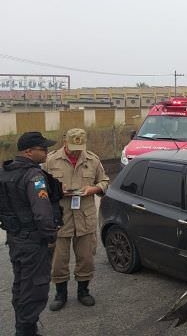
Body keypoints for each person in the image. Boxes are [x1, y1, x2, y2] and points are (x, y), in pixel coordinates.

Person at [0, 132, 62, 336]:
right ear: (28, 151)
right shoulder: (34, 176)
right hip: (33, 241)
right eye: (42, 149)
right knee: (35, 288)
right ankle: (25, 331)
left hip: (16, 238)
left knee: (21, 285)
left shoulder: (6, 172)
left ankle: (25, 328)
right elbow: (42, 213)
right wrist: (51, 237)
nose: (46, 152)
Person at [43, 128, 109, 311]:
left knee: (86, 258)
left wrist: (93, 190)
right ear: (65, 142)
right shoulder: (51, 160)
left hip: (85, 216)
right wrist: (57, 191)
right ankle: (60, 294)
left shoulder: (92, 160)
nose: (76, 151)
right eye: (73, 147)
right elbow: (41, 186)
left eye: (79, 147)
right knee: (59, 260)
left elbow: (104, 182)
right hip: (61, 216)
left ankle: (83, 291)